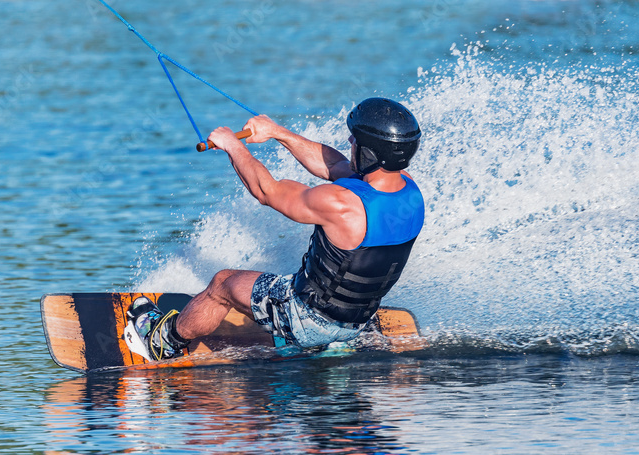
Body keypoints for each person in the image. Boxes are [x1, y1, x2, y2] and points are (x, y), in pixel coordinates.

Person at [125, 97, 425, 360]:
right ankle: (327, 343)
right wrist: (276, 132)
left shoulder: (340, 203)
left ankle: (161, 341)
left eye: (354, 140)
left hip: (311, 319)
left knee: (223, 283)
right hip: (357, 321)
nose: (349, 143)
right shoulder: (410, 192)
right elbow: (334, 166)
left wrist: (233, 145)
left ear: (370, 153)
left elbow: (265, 191)